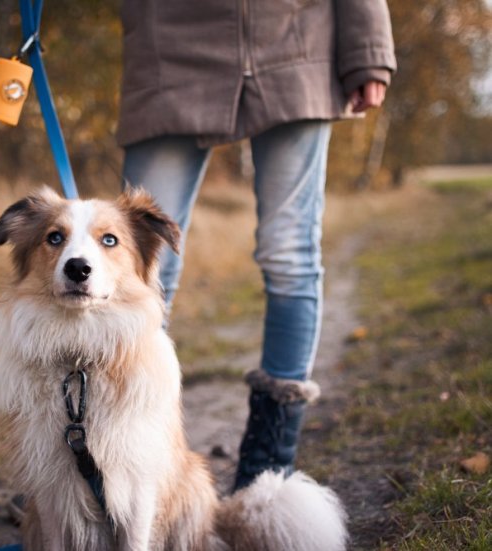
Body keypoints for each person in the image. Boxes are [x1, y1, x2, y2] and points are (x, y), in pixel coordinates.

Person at [118, 0, 396, 491]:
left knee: (290, 254)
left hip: (294, 39)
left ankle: (268, 471)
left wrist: (368, 51)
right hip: (170, 45)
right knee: (135, 262)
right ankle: (110, 458)